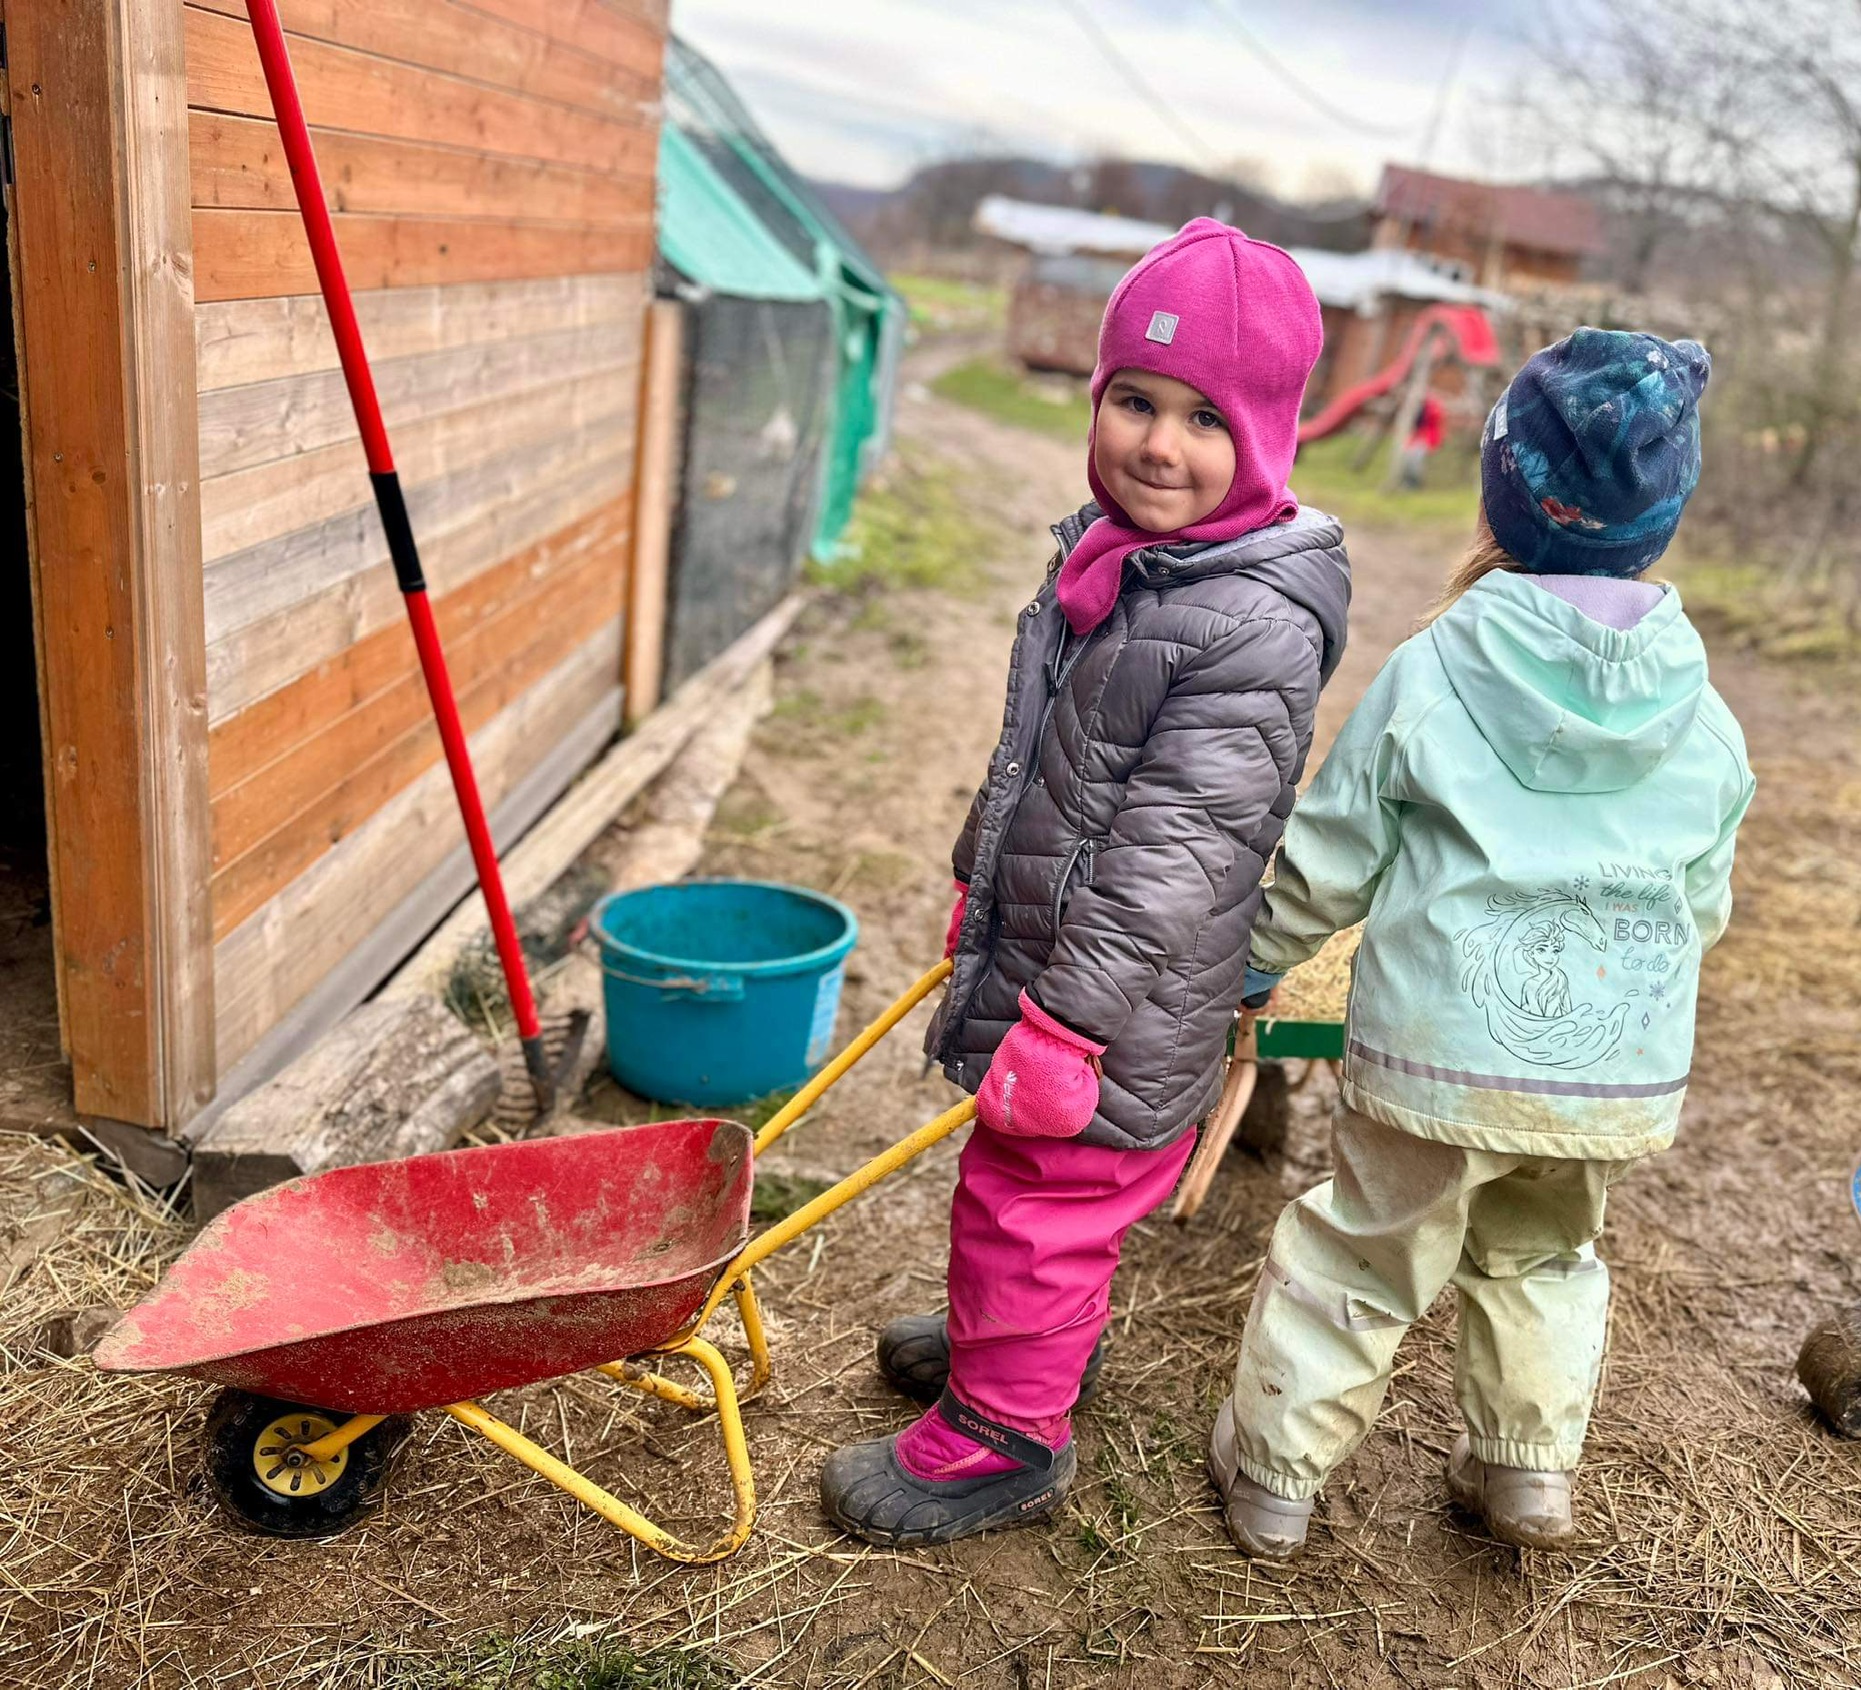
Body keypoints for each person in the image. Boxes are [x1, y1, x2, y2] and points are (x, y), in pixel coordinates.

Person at [817, 219, 1352, 1547]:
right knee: (1027, 1200)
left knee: (1035, 1207)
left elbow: (1175, 854)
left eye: (1204, 419)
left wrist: (1067, 1023)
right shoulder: (1125, 562)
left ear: (1267, 438)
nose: (1158, 444)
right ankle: (1023, 1348)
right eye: (1135, 400)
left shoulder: (1250, 622)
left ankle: (1003, 1437)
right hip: (1066, 967)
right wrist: (980, 883)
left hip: (1115, 1010)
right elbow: (1036, 761)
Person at [1208, 328, 1755, 1560]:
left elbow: (1333, 849)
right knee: (1546, 1257)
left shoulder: (1437, 668)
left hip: (1434, 1059)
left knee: (1362, 1252)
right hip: (1606, 1070)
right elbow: (1701, 907)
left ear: (1501, 492)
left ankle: (1276, 1477)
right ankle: (1523, 1473)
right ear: (1661, 519)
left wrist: (1255, 955)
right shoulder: (1704, 715)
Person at [1399, 392, 1446, 488]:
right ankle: (1408, 481)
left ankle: (1415, 483)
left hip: (1427, 439)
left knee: (1416, 458)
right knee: (1407, 457)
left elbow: (1435, 418)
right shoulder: (1415, 408)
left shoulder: (1431, 408)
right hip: (1416, 438)